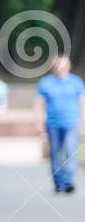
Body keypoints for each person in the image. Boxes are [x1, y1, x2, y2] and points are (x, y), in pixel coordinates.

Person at [34, 56, 84, 193]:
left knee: (70, 151)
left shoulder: (76, 82)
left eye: (63, 65)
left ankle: (68, 182)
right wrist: (38, 122)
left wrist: (83, 124)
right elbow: (39, 104)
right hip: (53, 124)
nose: (60, 68)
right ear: (53, 67)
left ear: (69, 66)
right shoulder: (46, 83)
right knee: (55, 153)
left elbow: (82, 104)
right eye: (58, 65)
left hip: (72, 123)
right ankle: (58, 182)